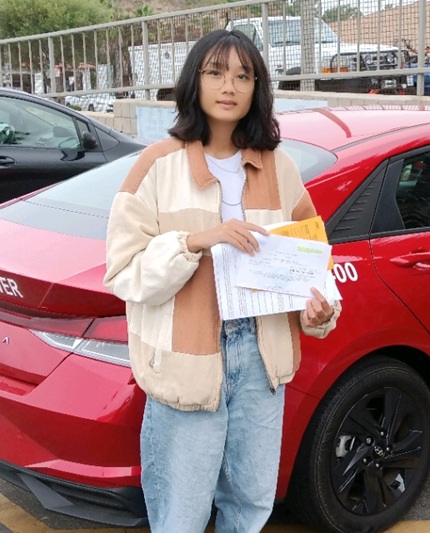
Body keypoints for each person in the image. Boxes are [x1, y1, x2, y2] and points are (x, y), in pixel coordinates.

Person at [103, 29, 341, 533]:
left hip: (261, 357)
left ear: (257, 88)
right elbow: (124, 270)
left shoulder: (281, 167)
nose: (228, 85)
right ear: (195, 81)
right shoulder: (157, 165)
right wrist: (195, 241)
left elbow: (311, 256)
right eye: (215, 72)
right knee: (180, 514)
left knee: (251, 505)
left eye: (242, 75)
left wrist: (318, 309)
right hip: (187, 360)